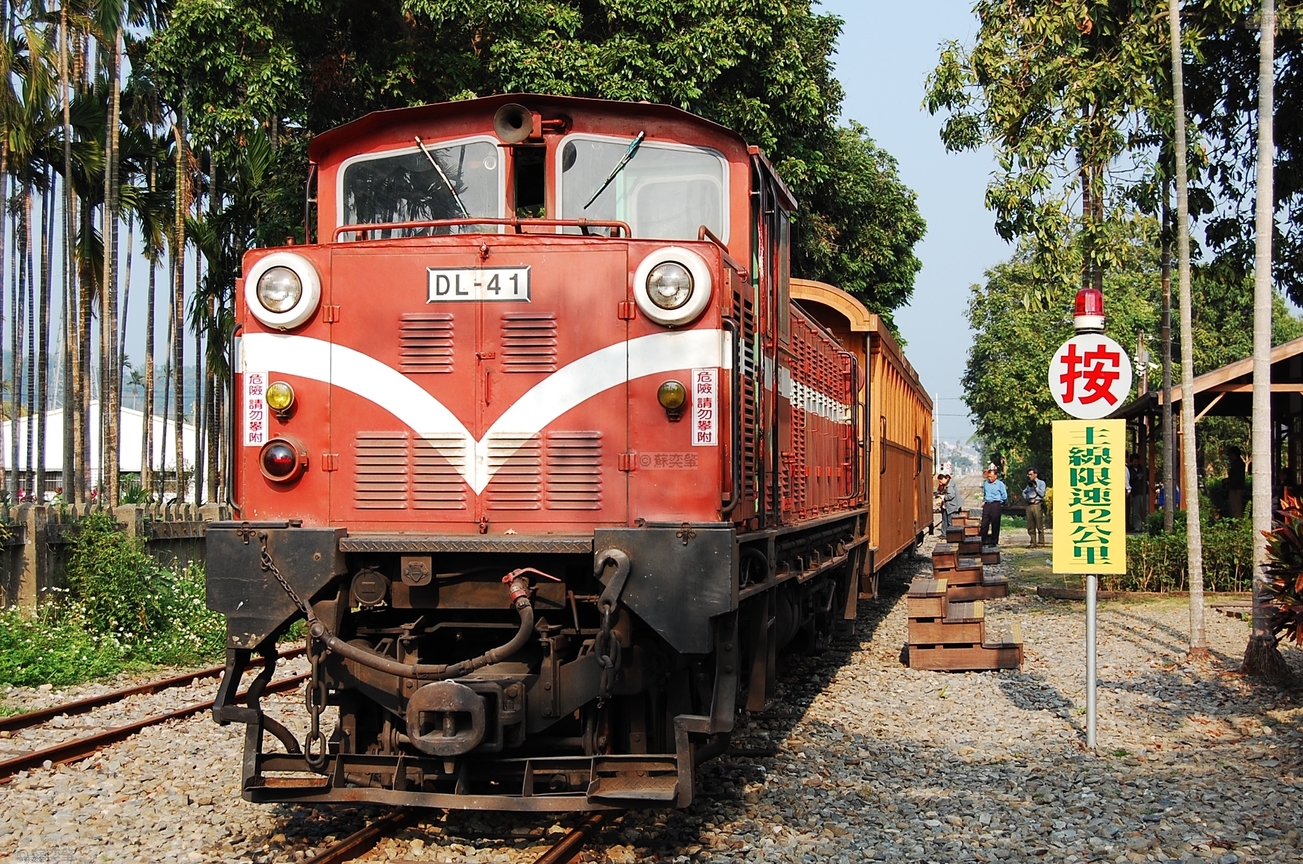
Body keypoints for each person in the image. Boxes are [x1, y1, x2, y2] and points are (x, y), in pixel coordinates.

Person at [979, 465, 1008, 548]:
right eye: (988, 477)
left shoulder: (1000, 484)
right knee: (984, 523)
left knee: (995, 524)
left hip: (996, 504)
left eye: (991, 477)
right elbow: (984, 494)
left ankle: (994, 541)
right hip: (987, 504)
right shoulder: (986, 484)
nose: (990, 479)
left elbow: (1004, 496)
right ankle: (982, 540)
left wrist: (998, 502)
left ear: (995, 476)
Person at [1022, 468, 1047, 547]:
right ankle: (1033, 542)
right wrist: (1026, 497)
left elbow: (1042, 494)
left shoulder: (1041, 483)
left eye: (1031, 474)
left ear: (1035, 474)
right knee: (1030, 525)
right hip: (1029, 504)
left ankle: (1041, 542)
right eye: (1028, 475)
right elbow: (1024, 491)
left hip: (1037, 504)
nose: (1029, 476)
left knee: (1039, 524)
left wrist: (1035, 487)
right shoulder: (1029, 484)